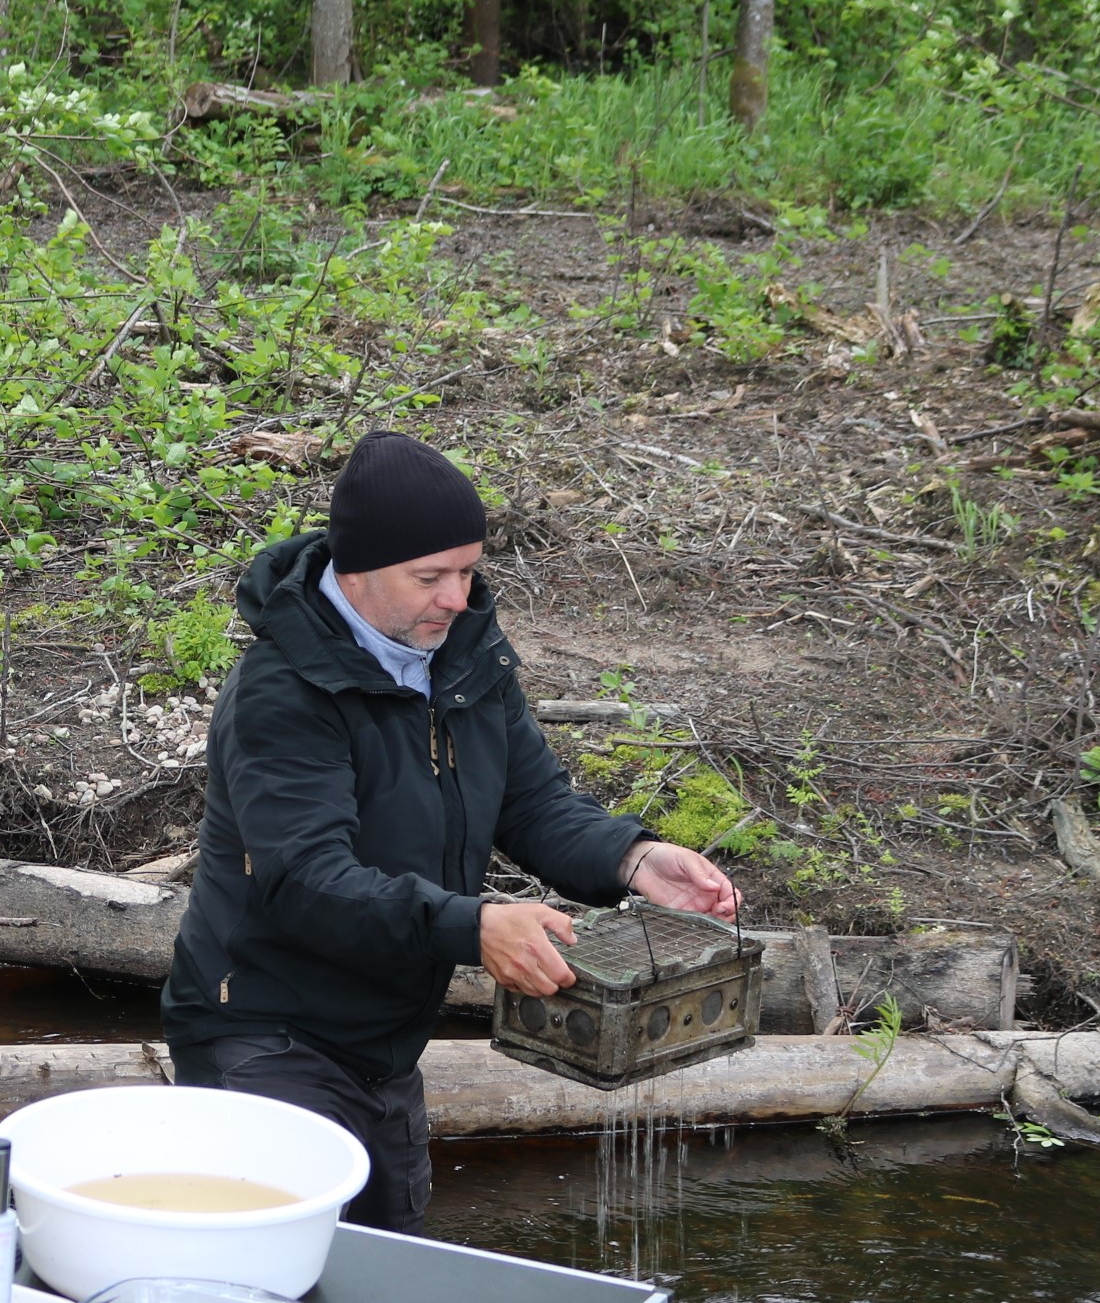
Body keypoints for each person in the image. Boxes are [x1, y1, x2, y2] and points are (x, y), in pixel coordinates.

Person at [162, 431, 739, 1234]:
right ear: (353, 569)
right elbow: (304, 879)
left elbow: (531, 804)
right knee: (279, 1283)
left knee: (384, 1289)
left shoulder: (465, 658)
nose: (456, 599)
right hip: (262, 1036)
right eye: (429, 577)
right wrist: (473, 927)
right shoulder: (282, 693)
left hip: (387, 1042)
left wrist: (633, 858)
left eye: (467, 571)